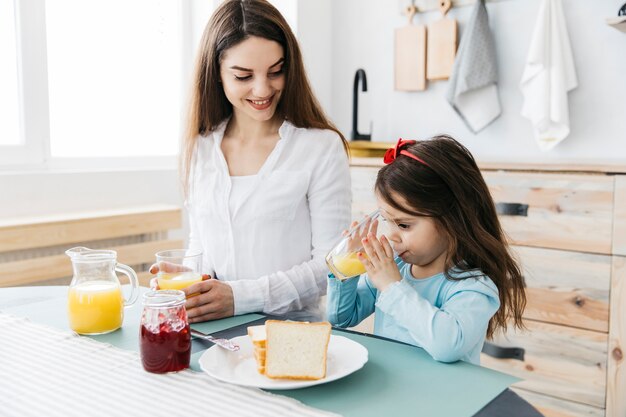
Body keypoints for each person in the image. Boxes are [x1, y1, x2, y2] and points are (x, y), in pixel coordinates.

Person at [171, 0, 351, 323]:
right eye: (243, 76)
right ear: (217, 74)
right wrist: (184, 278)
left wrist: (240, 297)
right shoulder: (200, 148)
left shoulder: (321, 148)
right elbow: (202, 245)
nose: (262, 89)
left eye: (276, 71)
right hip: (214, 332)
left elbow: (332, 265)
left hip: (292, 335)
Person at [327, 136, 526, 365]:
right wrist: (345, 267)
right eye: (387, 221)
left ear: (451, 220)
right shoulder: (396, 269)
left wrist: (393, 287)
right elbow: (341, 317)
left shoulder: (472, 287)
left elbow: (446, 346)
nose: (391, 235)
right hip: (394, 393)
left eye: (403, 225)